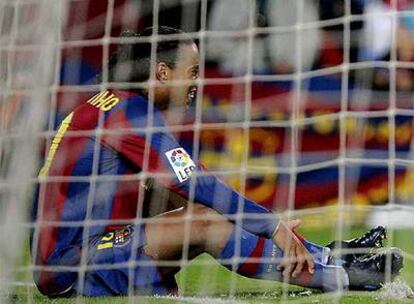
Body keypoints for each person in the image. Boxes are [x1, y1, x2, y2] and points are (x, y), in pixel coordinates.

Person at [30, 26, 403, 297]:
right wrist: (271, 226)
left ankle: (328, 255)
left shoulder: (115, 104)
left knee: (200, 206)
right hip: (69, 264)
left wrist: (267, 230)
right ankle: (343, 275)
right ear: (162, 73)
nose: (197, 83)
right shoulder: (129, 111)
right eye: (191, 72)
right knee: (204, 218)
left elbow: (194, 182)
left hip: (93, 247)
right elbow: (197, 185)